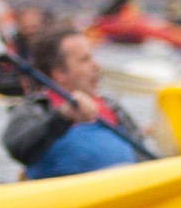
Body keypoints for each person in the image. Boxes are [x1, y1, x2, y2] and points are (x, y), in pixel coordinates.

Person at [10, 27, 162, 181]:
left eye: (92, 57)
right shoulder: (37, 108)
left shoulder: (112, 107)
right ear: (59, 73)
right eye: (85, 60)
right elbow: (18, 149)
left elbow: (143, 158)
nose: (96, 65)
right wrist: (62, 118)